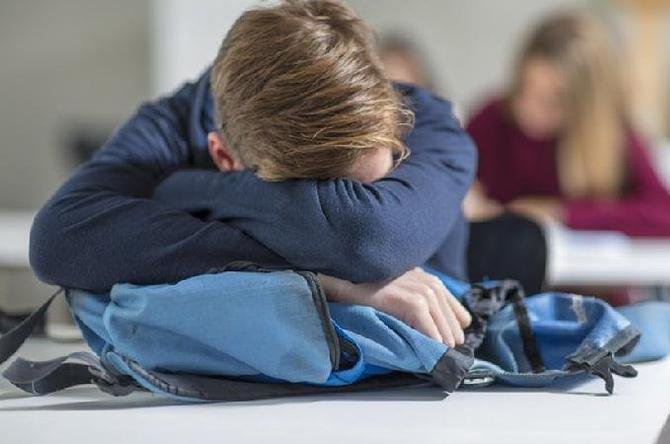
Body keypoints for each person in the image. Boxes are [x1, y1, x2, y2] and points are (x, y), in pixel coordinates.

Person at [29, 0, 474, 347]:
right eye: (316, 198)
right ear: (225, 157)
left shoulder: (424, 119)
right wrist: (325, 283)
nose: (357, 203)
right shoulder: (172, 125)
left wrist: (187, 190)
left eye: (378, 184)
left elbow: (369, 238)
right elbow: (56, 240)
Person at [464, 11, 670, 238]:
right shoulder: (493, 118)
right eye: (524, 89)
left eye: (553, 100)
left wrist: (561, 213)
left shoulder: (611, 136)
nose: (529, 109)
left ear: (587, 106)